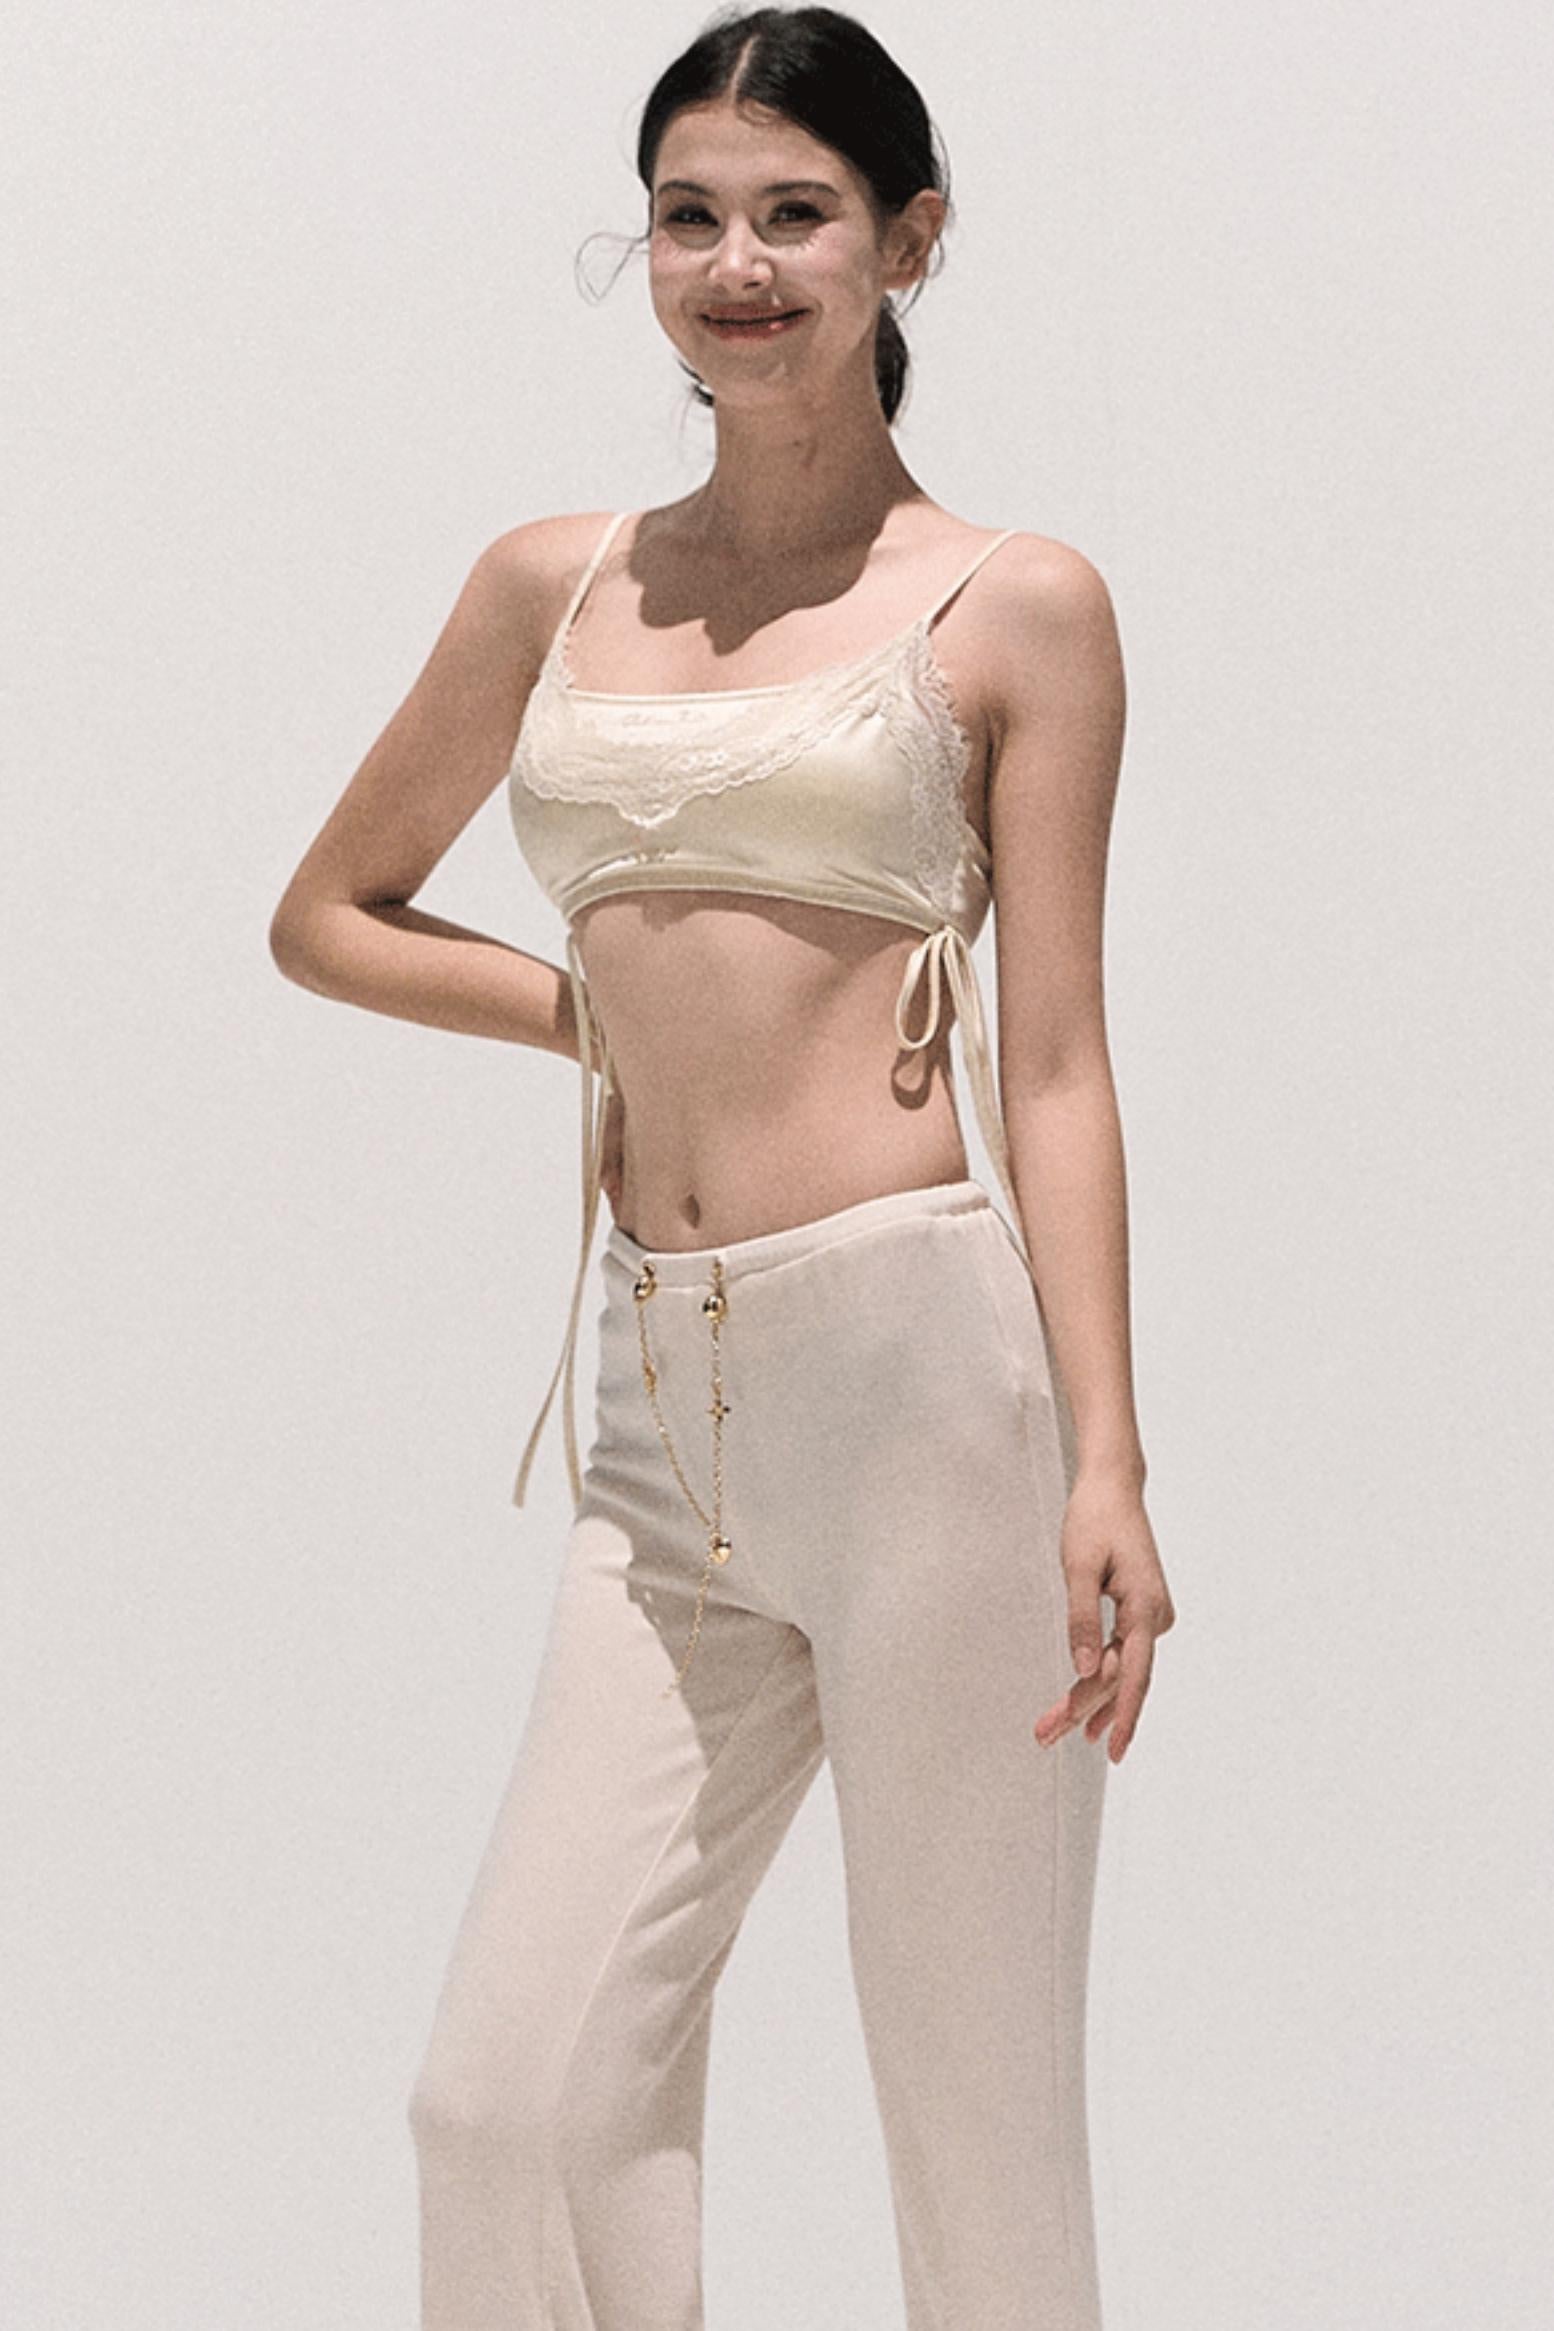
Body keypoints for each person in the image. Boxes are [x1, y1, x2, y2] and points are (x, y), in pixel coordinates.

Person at [269, 7, 1176, 2324]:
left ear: (909, 243)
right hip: (659, 1405)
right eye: (690, 217)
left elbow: (1059, 1060)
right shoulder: (551, 585)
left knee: (973, 2111)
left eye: (796, 214)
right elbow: (330, 912)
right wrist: (591, 1015)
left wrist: (1107, 1458)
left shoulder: (1018, 604)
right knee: (506, 2101)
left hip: (929, 1395)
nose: (737, 265)